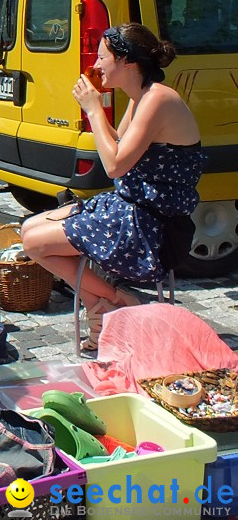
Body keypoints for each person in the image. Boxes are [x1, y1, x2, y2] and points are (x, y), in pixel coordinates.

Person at [23, 23, 204, 351]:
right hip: (130, 206)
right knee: (29, 227)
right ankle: (105, 306)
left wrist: (94, 110)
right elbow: (119, 146)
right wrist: (94, 110)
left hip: (151, 226)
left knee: (35, 244)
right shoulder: (140, 98)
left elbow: (115, 165)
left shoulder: (158, 100)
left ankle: (113, 302)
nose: (95, 64)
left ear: (126, 62)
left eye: (102, 56)